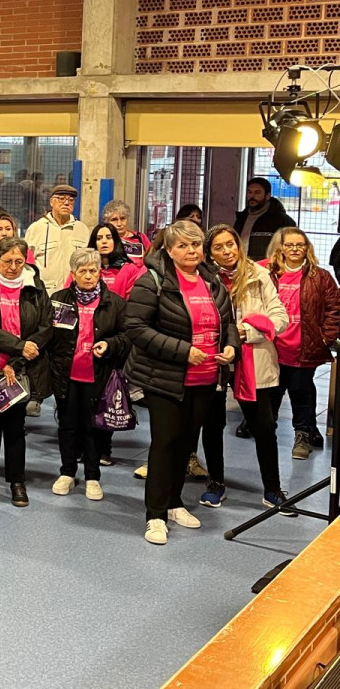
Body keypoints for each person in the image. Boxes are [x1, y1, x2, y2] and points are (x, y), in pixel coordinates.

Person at [126, 220, 238, 546]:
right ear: (170, 250)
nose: (191, 251)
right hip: (164, 377)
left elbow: (228, 322)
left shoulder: (212, 280)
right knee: (165, 443)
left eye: (196, 245)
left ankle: (174, 503)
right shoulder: (152, 281)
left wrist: (231, 346)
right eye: (183, 246)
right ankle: (155, 515)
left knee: (186, 442)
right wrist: (183, 351)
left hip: (205, 378)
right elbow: (136, 327)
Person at [197, 225, 290, 510]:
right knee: (212, 425)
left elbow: (280, 317)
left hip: (253, 361)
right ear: (209, 253)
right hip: (214, 360)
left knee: (264, 427)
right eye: (219, 247)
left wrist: (246, 333)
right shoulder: (203, 279)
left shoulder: (258, 274)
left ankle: (272, 489)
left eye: (231, 244)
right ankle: (216, 483)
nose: (227, 251)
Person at [0, 237, 53, 507]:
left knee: (16, 429)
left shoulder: (35, 287)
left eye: (19, 261)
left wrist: (18, 359)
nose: (14, 267)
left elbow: (45, 326)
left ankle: (17, 482)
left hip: (22, 368)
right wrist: (17, 345)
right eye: (8, 261)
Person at [47, 248, 130, 501]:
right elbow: (48, 336)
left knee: (93, 428)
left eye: (92, 270)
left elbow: (127, 336)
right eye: (82, 271)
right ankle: (67, 472)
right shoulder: (58, 300)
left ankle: (93, 476)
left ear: (99, 272)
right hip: (66, 376)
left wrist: (109, 345)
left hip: (98, 376)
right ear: (73, 273)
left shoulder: (115, 303)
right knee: (67, 425)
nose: (88, 275)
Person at [264, 228, 340, 460]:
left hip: (304, 349)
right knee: (271, 395)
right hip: (273, 349)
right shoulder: (268, 275)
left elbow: (334, 308)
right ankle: (265, 435)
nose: (295, 249)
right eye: (290, 245)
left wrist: (325, 337)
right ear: (281, 248)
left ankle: (303, 436)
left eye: (300, 245)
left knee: (301, 394)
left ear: (307, 248)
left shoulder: (321, 277)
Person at [25, 183, 89, 294]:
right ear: (51, 202)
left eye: (71, 200)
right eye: (61, 199)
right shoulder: (36, 229)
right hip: (45, 293)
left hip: (75, 293)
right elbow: (27, 264)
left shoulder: (82, 229)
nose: (66, 203)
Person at [234, 177, 296, 261]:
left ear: (268, 196)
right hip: (242, 265)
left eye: (257, 192)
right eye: (249, 192)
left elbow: (291, 248)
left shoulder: (282, 221)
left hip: (267, 267)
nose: (252, 196)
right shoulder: (241, 218)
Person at [87, 222, 145, 299]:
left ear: (115, 241)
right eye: (99, 238)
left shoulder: (130, 269)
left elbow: (133, 300)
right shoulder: (85, 269)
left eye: (108, 237)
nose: (104, 241)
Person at [103, 200, 151, 266]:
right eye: (114, 220)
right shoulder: (104, 240)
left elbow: (151, 259)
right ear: (107, 222)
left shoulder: (140, 237)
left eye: (123, 218)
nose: (119, 224)